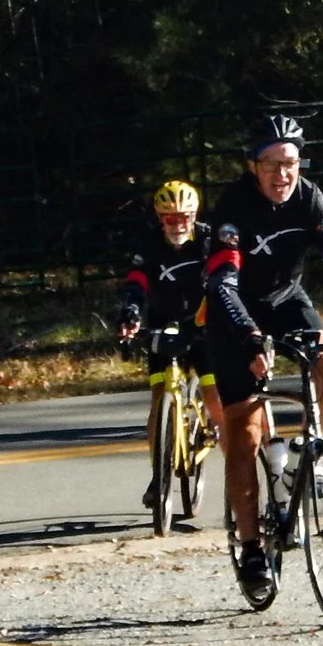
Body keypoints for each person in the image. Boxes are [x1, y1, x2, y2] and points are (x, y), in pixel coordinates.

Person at [205, 115, 323, 590]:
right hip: (235, 311)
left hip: (285, 298)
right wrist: (249, 336)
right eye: (271, 164)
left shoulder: (309, 197)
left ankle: (308, 451)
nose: (282, 174)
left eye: (290, 163)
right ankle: (251, 550)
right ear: (252, 166)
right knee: (244, 436)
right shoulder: (233, 206)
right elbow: (222, 283)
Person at [115, 178, 215, 516]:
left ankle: (220, 439)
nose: (177, 225)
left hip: (201, 323)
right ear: (160, 219)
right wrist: (131, 312)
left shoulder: (208, 241)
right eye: (170, 218)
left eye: (184, 217)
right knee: (159, 399)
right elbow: (137, 281)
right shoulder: (149, 244)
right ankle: (159, 476)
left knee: (214, 394)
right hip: (162, 322)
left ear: (194, 216)